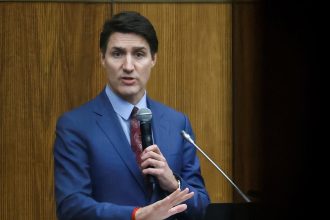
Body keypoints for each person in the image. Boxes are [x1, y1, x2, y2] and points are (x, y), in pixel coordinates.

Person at [54, 11, 210, 220]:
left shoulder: (177, 123)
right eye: (117, 54)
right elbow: (71, 207)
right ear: (102, 58)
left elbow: (201, 205)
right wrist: (137, 215)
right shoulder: (75, 125)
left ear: (153, 59)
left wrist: (172, 182)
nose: (128, 66)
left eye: (139, 54)